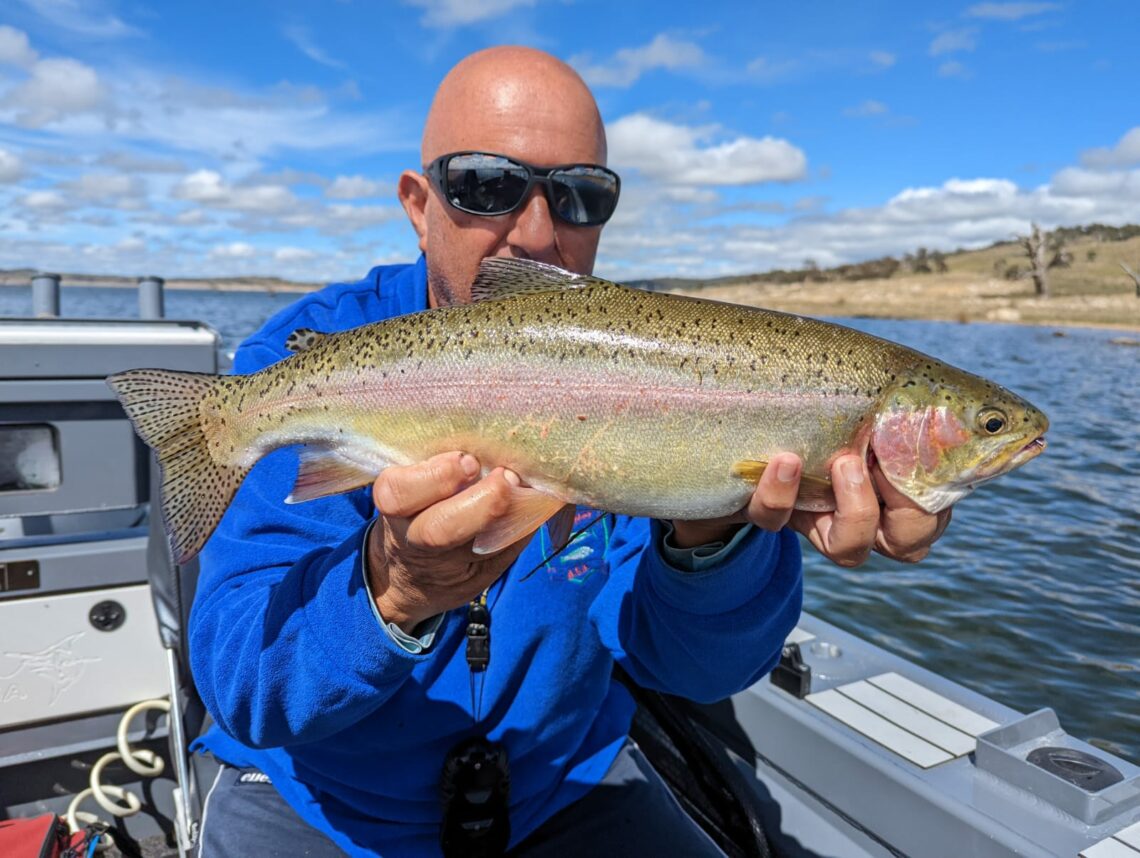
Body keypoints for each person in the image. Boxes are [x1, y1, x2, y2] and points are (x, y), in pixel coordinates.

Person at [190, 46, 951, 857]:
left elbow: (693, 671)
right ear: (418, 203)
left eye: (580, 195)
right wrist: (395, 590)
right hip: (323, 802)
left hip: (565, 786)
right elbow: (248, 685)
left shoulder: (648, 376)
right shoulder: (308, 363)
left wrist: (712, 536)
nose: (535, 234)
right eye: (485, 185)